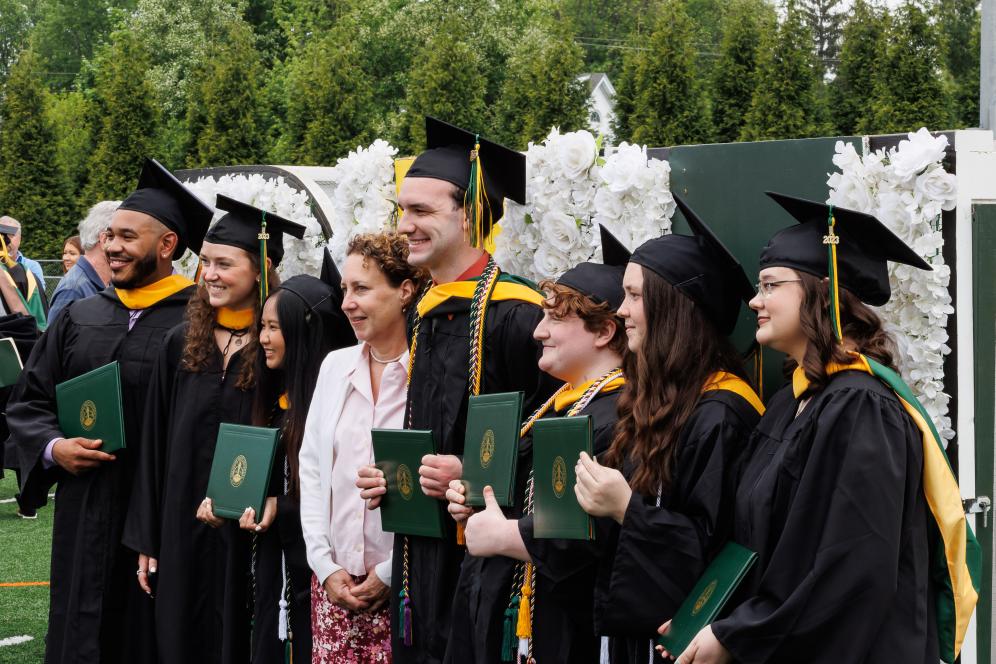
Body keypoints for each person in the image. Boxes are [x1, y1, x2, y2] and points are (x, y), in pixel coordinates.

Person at [661, 193, 979, 664]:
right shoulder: (790, 401)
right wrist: (709, 614)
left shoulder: (862, 407)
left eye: (770, 285)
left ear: (822, 291)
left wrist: (739, 634)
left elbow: (852, 564)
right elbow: (765, 545)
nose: (755, 301)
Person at [356, 117, 557, 664]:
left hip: (490, 563)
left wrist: (475, 472)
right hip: (421, 557)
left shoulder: (520, 316)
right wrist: (395, 476)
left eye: (422, 211)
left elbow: (557, 444)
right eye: (402, 210)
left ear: (470, 214)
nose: (405, 225)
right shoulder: (426, 311)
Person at [4, 158, 212, 664]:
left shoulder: (200, 320)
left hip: (163, 512)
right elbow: (31, 401)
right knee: (79, 630)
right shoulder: (80, 315)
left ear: (167, 247)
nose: (111, 247)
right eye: (109, 236)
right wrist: (55, 449)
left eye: (126, 236)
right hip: (85, 506)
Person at [572, 196, 764, 663]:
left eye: (635, 296)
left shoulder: (721, 413)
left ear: (675, 308)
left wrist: (625, 509)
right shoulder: (657, 401)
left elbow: (720, 551)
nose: (620, 311)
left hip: (688, 643)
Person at [123, 195, 305, 664]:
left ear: (262, 268)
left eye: (224, 263)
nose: (210, 275)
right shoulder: (182, 341)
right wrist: (147, 535)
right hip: (181, 526)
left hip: (249, 530)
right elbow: (153, 444)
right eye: (204, 262)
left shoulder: (277, 350)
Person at [446, 226, 630, 664]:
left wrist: (505, 534)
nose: (537, 331)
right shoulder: (552, 406)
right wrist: (475, 500)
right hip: (499, 605)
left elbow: (587, 537)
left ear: (604, 331)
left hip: (557, 626)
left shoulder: (618, 415)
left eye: (555, 318)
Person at [300, 233, 425, 663]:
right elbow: (313, 468)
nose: (347, 303)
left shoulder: (427, 373)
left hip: (407, 588)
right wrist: (324, 565)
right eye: (345, 290)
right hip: (335, 590)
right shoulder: (335, 367)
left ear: (405, 291)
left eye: (362, 289)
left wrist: (391, 572)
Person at [241, 258, 356, 663]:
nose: (264, 337)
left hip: (319, 569)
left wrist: (282, 505)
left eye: (275, 327)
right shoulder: (272, 399)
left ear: (305, 333)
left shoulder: (331, 408)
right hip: (275, 563)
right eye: (263, 326)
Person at [48, 201, 116, 320]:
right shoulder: (73, 290)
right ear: (105, 239)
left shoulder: (106, 284)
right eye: (124, 236)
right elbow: (55, 338)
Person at [0, 219, 47, 329]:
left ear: (19, 239)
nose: (7, 239)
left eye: (11, 234)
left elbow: (38, 302)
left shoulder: (30, 269)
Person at [0, 215, 46, 285]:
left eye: (11, 234)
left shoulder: (32, 266)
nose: (6, 239)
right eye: (2, 235)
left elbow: (37, 294)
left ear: (20, 238)